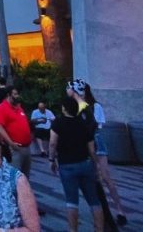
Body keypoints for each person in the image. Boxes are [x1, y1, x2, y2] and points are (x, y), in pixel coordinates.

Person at [50, 96, 104, 232]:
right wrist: (96, 166)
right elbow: (92, 149)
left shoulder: (58, 123)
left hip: (67, 165)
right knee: (94, 200)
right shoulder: (83, 123)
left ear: (64, 108)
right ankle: (99, 229)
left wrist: (52, 159)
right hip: (85, 163)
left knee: (71, 201)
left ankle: (73, 230)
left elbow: (52, 143)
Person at [84, 84, 127, 226]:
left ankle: (120, 210)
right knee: (93, 179)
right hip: (85, 142)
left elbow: (98, 125)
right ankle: (101, 212)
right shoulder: (79, 108)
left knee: (106, 177)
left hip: (95, 140)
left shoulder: (96, 107)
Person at [0, 86, 33, 180]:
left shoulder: (19, 108)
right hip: (15, 148)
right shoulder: (1, 108)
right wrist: (10, 143)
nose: (17, 96)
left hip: (26, 148)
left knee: (25, 178)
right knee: (14, 178)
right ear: (8, 95)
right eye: (15, 94)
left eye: (17, 94)